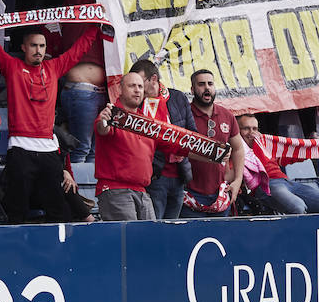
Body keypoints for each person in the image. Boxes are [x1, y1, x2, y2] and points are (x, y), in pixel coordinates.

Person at [0, 26, 99, 223]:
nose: (38, 50)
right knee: (17, 209)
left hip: (48, 149)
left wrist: (94, 28)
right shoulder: (12, 66)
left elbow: (78, 50)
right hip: (20, 148)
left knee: (57, 208)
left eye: (42, 46)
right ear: (23, 48)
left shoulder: (54, 67)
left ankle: (58, 250)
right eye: (33, 46)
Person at [236, 114, 319, 215]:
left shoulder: (264, 144)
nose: (252, 133)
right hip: (266, 186)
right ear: (237, 130)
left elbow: (290, 155)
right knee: (297, 207)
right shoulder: (236, 150)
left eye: (255, 129)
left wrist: (314, 148)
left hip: (286, 182)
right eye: (246, 128)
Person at [129, 59, 194, 220]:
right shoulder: (137, 103)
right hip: (154, 176)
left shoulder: (178, 97)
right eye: (134, 84)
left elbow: (193, 133)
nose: (138, 88)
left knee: (173, 228)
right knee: (155, 227)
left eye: (141, 83)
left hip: (179, 175)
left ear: (153, 79)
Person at [93, 71, 161, 222]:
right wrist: (103, 122)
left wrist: (217, 155)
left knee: (150, 241)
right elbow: (102, 129)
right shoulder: (111, 114)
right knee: (129, 242)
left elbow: (176, 145)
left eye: (140, 86)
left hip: (143, 191)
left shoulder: (148, 123)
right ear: (120, 90)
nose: (137, 90)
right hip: (116, 190)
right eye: (132, 86)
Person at [183, 69, 246, 217]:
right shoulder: (184, 114)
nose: (207, 88)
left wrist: (237, 180)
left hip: (220, 194)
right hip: (191, 194)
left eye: (210, 84)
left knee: (220, 239)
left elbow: (238, 149)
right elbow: (178, 148)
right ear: (192, 89)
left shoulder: (227, 115)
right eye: (201, 84)